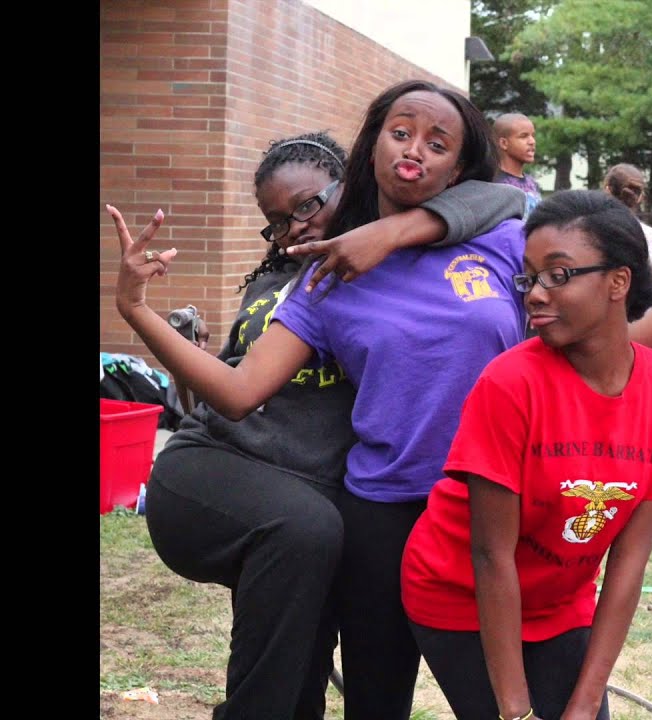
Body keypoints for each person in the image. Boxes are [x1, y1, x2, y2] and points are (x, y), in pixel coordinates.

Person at [110, 79, 652, 720]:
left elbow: (607, 347)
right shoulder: (330, 275)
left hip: (500, 511)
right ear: (372, 147)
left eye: (438, 143)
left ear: (457, 167)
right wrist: (137, 310)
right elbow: (238, 393)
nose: (415, 151)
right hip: (385, 512)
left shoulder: (504, 243)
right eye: (400, 134)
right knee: (379, 703)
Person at [117, 130, 526, 720]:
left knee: (307, 614)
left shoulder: (395, 266)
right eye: (278, 222)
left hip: (318, 498)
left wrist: (392, 230)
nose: (296, 228)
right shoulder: (289, 282)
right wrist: (140, 312)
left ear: (351, 182)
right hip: (218, 469)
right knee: (305, 532)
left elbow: (500, 200)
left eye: (308, 204)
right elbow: (227, 393)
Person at [401, 189, 652, 720]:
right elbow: (490, 556)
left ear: (618, 282)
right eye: (530, 277)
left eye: (558, 274)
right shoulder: (510, 384)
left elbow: (628, 562)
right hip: (459, 593)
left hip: (560, 604)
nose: (536, 294)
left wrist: (586, 702)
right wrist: (514, 710)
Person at [603, 163, 652, 303]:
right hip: (633, 310)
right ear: (640, 197)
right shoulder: (648, 234)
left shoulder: (588, 228)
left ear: (608, 190)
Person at [493, 112, 541, 219]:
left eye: (533, 136)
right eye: (523, 136)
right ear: (504, 143)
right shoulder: (492, 184)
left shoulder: (532, 183)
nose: (532, 141)